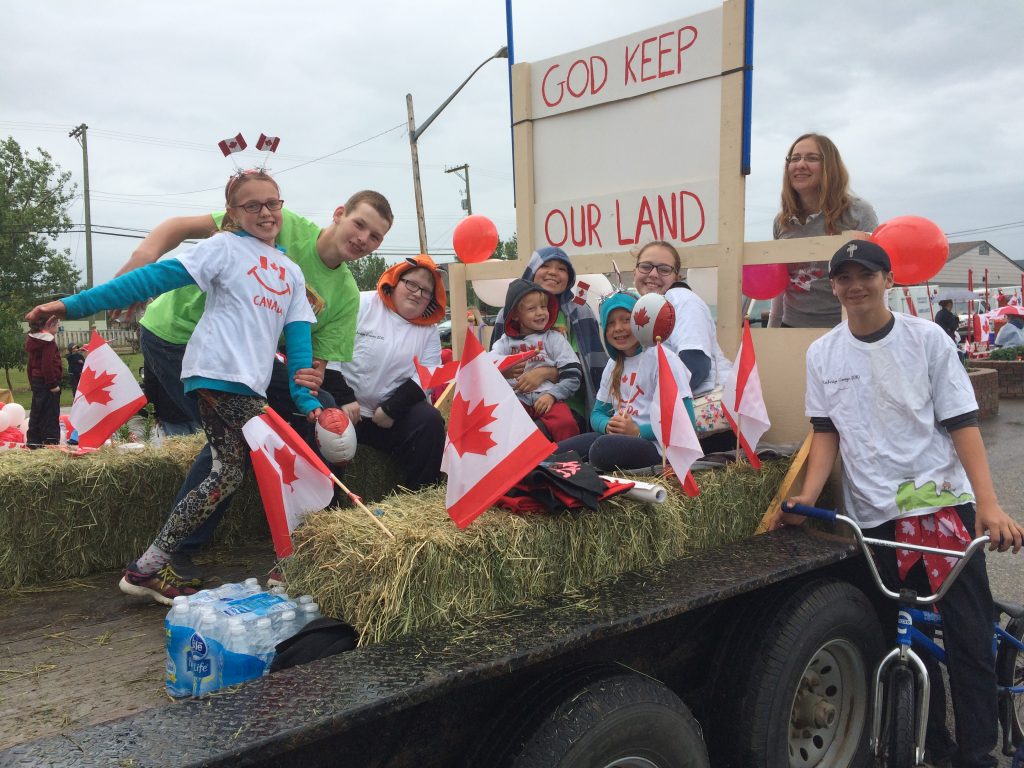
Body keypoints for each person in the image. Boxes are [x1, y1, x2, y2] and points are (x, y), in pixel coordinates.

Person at [775, 238, 1024, 768]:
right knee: (898, 633)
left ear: (888, 279)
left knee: (968, 641)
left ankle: (977, 752)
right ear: (834, 286)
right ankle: (931, 743)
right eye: (843, 277)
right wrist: (804, 499)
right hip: (875, 519)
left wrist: (989, 505)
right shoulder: (823, 354)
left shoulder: (927, 339)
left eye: (865, 274)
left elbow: (962, 423)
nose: (854, 285)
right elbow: (825, 435)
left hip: (943, 511)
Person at [26, 170, 322, 605]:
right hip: (216, 375)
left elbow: (299, 345)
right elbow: (149, 280)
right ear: (233, 214)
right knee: (281, 455)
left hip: (250, 387)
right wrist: (69, 305)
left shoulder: (293, 273)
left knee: (226, 474)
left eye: (272, 203)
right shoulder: (223, 248)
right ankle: (290, 565)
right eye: (252, 205)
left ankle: (146, 568)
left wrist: (307, 400)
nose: (265, 212)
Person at [117, 186, 393, 578]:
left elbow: (313, 365)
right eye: (360, 224)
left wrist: (313, 381)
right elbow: (177, 227)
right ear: (338, 214)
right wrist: (141, 261)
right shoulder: (278, 222)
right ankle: (172, 553)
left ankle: (321, 530)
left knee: (325, 405)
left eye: (376, 236)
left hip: (242, 359)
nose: (364, 239)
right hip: (177, 337)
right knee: (233, 431)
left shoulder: (346, 294)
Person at [328, 255, 447, 490]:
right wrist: (344, 398)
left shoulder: (429, 331)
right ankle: (326, 507)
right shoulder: (360, 303)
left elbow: (428, 375)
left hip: (388, 417)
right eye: (411, 284)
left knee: (430, 421)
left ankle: (421, 495)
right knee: (321, 425)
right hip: (345, 409)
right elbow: (330, 349)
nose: (417, 293)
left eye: (425, 291)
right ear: (395, 281)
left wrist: (392, 408)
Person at [557, 291, 695, 471]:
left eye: (626, 320)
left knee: (601, 450)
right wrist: (608, 426)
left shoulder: (664, 359)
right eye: (611, 323)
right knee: (558, 452)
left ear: (640, 323)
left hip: (656, 447)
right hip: (616, 438)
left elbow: (686, 421)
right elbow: (597, 413)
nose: (618, 328)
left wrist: (637, 432)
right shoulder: (613, 364)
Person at [631, 241, 735, 452]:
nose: (653, 274)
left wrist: (646, 411)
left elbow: (695, 367)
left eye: (664, 269)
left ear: (676, 276)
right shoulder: (644, 308)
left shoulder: (682, 300)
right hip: (674, 415)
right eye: (646, 266)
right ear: (635, 270)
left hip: (706, 420)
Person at [768, 133, 878, 328]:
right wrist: (773, 330)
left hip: (845, 327)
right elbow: (779, 284)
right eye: (795, 158)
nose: (800, 164)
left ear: (830, 166)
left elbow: (876, 276)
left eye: (811, 158)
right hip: (791, 328)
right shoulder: (782, 222)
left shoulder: (858, 213)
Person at [490, 246, 608, 417]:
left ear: (569, 277)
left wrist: (546, 373)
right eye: (545, 266)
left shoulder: (580, 312)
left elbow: (589, 370)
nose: (553, 272)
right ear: (532, 271)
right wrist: (503, 370)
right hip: (517, 402)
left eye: (561, 268)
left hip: (569, 404)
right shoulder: (507, 314)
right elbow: (492, 366)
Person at [491, 279, 583, 441]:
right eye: (532, 309)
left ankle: (569, 460)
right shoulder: (505, 342)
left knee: (566, 422)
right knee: (503, 423)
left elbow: (573, 373)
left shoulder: (554, 338)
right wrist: (504, 370)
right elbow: (488, 365)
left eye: (543, 307)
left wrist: (553, 395)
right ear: (515, 316)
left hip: (548, 397)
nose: (540, 312)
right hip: (516, 398)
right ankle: (517, 463)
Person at [25, 316, 62, 448]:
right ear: (49, 324)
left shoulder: (34, 341)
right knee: (50, 413)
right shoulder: (48, 342)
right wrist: (53, 385)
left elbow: (30, 365)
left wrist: (32, 382)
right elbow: (47, 364)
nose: (59, 325)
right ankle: (51, 441)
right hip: (48, 383)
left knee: (37, 411)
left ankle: (33, 442)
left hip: (37, 381)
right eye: (57, 323)